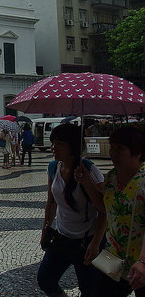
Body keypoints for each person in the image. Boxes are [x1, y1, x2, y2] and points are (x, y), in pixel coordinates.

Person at [37, 123, 105, 297]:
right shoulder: (53, 167)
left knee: (89, 290)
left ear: (72, 146)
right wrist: (46, 227)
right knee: (45, 279)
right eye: (53, 143)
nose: (53, 147)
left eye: (59, 143)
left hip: (86, 240)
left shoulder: (90, 170)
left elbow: (104, 209)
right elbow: (51, 202)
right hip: (62, 237)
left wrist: (96, 242)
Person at [80, 127, 145, 297]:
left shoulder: (143, 181)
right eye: (112, 147)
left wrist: (143, 261)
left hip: (141, 262)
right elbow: (105, 207)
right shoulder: (112, 178)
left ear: (137, 153)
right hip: (115, 258)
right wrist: (87, 181)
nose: (113, 153)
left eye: (120, 149)